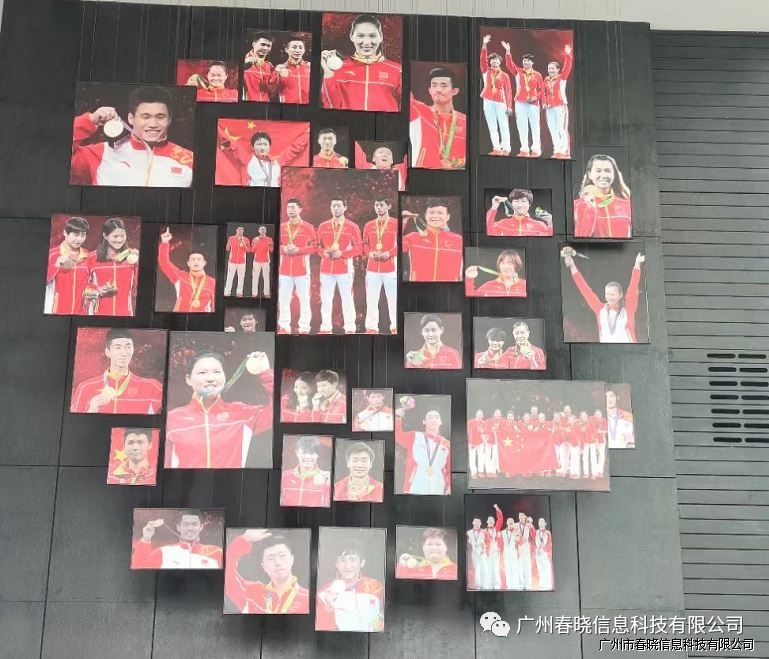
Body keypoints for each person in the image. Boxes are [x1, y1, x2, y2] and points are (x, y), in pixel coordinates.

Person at [164, 350, 274, 468]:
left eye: (216, 372)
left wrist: (265, 374)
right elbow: (158, 465)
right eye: (202, 372)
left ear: (224, 378)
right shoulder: (171, 419)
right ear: (188, 379)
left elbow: (282, 413)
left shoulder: (242, 414)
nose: (210, 378)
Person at [71, 85, 193, 187]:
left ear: (169, 120)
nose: (153, 124)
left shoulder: (189, 159)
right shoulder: (102, 153)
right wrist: (90, 120)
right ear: (131, 118)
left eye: (160, 117)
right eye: (145, 117)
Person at [320, 13, 402, 113]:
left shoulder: (397, 70)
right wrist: (328, 73)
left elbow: (409, 110)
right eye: (360, 36)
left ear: (380, 37)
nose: (366, 42)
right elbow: (331, 109)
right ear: (352, 37)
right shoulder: (339, 69)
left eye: (372, 36)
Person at [71, 329, 163, 414]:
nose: (123, 353)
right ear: (108, 352)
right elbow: (73, 423)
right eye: (118, 348)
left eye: (128, 347)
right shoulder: (85, 388)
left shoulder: (153, 387)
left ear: (133, 350)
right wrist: (92, 410)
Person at [562, 249, 645, 343]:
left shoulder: (628, 309)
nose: (609, 297)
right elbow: (585, 289)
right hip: (606, 350)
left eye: (612, 294)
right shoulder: (600, 309)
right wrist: (572, 265)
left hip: (628, 350)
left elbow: (633, 288)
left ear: (620, 295)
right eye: (607, 294)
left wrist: (637, 265)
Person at [225, 529, 310, 614]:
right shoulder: (251, 594)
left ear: (292, 559)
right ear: (263, 566)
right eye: (270, 558)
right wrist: (246, 538)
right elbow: (225, 574)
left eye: (282, 556)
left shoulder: (308, 599)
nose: (277, 562)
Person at [316, 197, 362, 334]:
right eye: (333, 206)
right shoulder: (323, 226)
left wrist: (343, 254)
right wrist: (324, 252)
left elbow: (359, 248)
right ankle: (325, 327)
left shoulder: (352, 226)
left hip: (344, 269)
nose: (335, 208)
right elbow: (316, 246)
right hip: (326, 268)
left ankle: (350, 328)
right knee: (326, 299)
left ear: (345, 207)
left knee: (347, 298)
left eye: (338, 206)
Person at [316, 544, 385, 632]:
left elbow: (386, 617)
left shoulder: (376, 587)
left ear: (362, 562)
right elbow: (321, 629)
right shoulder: (325, 593)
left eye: (352, 560)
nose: (347, 566)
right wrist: (328, 607)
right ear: (336, 564)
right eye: (342, 560)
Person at [409, 67, 466, 169]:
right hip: (423, 173)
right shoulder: (419, 111)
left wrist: (455, 164)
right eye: (434, 85)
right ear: (430, 90)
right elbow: (405, 94)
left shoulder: (466, 122)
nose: (438, 90)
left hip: (453, 176)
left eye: (444, 85)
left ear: (454, 91)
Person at [395, 397, 451, 495]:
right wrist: (397, 418)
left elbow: (449, 467)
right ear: (424, 421)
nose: (433, 419)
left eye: (436, 417)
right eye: (430, 417)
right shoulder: (414, 436)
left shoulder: (447, 444)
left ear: (440, 422)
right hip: (414, 487)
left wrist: (450, 485)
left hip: (438, 488)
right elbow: (398, 435)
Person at [85, 217, 139, 316]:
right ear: (105, 236)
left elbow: (136, 289)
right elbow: (83, 284)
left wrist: (140, 264)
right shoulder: (92, 258)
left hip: (125, 314)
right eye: (115, 236)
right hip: (98, 314)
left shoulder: (131, 259)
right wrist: (96, 289)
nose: (119, 240)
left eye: (122, 236)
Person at [277, 199, 316, 334]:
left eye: (293, 207)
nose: (290, 210)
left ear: (300, 210)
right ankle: (284, 326)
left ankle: (304, 327)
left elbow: (315, 247)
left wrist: (299, 250)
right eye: (288, 207)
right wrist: (284, 249)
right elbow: (275, 245)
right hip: (284, 270)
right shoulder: (281, 227)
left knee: (304, 299)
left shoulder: (308, 227)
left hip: (302, 270)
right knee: (283, 299)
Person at [131, 512, 222, 569]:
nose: (190, 528)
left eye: (194, 524)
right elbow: (138, 569)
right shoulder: (163, 552)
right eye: (185, 524)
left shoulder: (217, 552)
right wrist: (146, 539)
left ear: (201, 527)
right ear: (178, 527)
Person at [402, 198, 463, 282]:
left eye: (440, 213)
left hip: (447, 288)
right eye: (431, 212)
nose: (435, 216)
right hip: (419, 288)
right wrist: (402, 223)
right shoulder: (414, 238)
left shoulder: (459, 241)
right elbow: (392, 248)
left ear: (448, 216)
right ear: (425, 215)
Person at [157, 226, 216, 312]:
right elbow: (164, 263)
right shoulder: (181, 276)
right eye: (193, 259)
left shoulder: (212, 282)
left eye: (199, 259)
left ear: (204, 263)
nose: (196, 261)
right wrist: (165, 242)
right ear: (188, 263)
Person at [362, 198, 398, 335]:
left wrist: (390, 253)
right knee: (371, 299)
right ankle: (371, 328)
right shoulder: (369, 225)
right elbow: (364, 244)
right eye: (376, 205)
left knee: (393, 299)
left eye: (381, 205)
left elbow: (401, 243)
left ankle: (395, 327)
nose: (378, 207)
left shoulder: (396, 223)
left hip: (391, 267)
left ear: (389, 206)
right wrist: (369, 253)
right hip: (372, 268)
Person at [573, 155, 632, 238]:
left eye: (608, 171)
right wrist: (589, 207)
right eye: (598, 171)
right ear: (590, 174)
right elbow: (580, 237)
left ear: (614, 174)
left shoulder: (626, 204)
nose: (604, 175)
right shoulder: (577, 205)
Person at [502, 43, 544, 158]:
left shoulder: (537, 75)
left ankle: (536, 150)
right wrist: (508, 51)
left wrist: (535, 97)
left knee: (535, 127)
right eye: (524, 61)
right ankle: (524, 149)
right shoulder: (518, 72)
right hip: (520, 103)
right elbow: (509, 64)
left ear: (532, 63)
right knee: (522, 126)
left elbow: (542, 91)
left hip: (533, 104)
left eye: (528, 61)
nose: (525, 62)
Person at [45, 216, 90, 314]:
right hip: (56, 312)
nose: (79, 239)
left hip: (81, 313)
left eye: (83, 235)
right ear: (65, 232)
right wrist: (57, 266)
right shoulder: (52, 254)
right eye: (75, 235)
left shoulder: (87, 255)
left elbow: (90, 281)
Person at [479, 35, 513, 155]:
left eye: (496, 59)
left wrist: (509, 106)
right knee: (492, 125)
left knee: (503, 125)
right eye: (492, 60)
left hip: (500, 102)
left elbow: (508, 91)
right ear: (489, 62)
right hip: (488, 100)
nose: (494, 61)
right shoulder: (486, 71)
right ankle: (496, 148)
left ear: (500, 61)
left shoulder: (505, 75)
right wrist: (484, 44)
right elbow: (482, 59)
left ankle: (506, 148)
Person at [280, 436, 331, 507]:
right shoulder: (284, 477)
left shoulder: (326, 478)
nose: (308, 457)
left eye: (312, 453)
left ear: (317, 455)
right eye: (304, 453)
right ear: (297, 453)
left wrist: (328, 485)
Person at [542, 45, 573, 158]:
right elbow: (544, 93)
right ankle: (557, 150)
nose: (550, 70)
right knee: (553, 129)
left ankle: (565, 151)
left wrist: (568, 55)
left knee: (562, 129)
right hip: (549, 108)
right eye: (549, 68)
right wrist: (544, 103)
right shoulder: (545, 80)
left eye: (553, 68)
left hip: (560, 106)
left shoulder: (562, 78)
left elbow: (568, 67)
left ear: (558, 69)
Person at [485, 189, 553, 237]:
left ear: (530, 204)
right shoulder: (501, 224)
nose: (520, 205)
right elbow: (487, 231)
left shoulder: (540, 226)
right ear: (511, 204)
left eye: (523, 201)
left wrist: (550, 223)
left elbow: (550, 240)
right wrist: (494, 207)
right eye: (516, 201)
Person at [274, 36, 311, 104]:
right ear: (286, 49)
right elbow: (272, 92)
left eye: (300, 47)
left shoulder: (310, 67)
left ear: (304, 50)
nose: (297, 50)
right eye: (294, 47)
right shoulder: (279, 69)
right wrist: (278, 76)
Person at [243, 32, 277, 102]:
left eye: (268, 46)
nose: (265, 48)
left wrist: (279, 78)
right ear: (253, 44)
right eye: (263, 44)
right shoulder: (242, 61)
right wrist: (243, 65)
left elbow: (272, 92)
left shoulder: (269, 66)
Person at [479, 505, 503, 590]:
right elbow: (481, 542)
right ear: (487, 521)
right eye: (490, 520)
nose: (491, 521)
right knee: (488, 569)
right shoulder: (483, 531)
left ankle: (497, 586)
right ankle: (488, 586)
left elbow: (500, 520)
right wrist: (482, 551)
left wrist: (497, 509)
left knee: (496, 569)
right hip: (487, 553)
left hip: (495, 552)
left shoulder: (496, 529)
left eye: (492, 520)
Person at [224, 226, 250, 298]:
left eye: (242, 230)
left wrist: (244, 244)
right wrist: (228, 244)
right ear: (236, 230)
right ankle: (227, 292)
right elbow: (227, 249)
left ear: (243, 231)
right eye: (239, 229)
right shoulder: (231, 238)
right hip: (232, 262)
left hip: (242, 262)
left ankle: (239, 292)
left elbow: (248, 250)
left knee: (241, 278)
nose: (240, 231)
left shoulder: (246, 239)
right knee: (230, 277)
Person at [500, 517, 524, 590]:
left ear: (513, 524)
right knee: (508, 571)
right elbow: (500, 544)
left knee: (515, 571)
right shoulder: (502, 532)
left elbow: (521, 543)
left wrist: (519, 539)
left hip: (514, 554)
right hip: (506, 555)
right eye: (509, 523)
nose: (510, 524)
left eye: (512, 523)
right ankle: (509, 587)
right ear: (507, 523)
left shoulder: (517, 532)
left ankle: (515, 586)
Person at [250, 226, 273, 298]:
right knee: (255, 277)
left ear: (265, 231)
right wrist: (255, 244)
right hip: (256, 261)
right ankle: (254, 294)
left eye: (264, 229)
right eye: (261, 229)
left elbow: (271, 250)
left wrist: (270, 246)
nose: (263, 230)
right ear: (259, 231)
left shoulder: (269, 239)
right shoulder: (255, 239)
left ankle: (266, 293)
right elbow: (252, 250)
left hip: (266, 261)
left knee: (266, 277)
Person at [516, 511, 535, 589]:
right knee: (520, 568)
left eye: (522, 517)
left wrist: (531, 527)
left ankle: (528, 585)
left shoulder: (529, 525)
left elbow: (534, 535)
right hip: (518, 549)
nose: (521, 519)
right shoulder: (516, 525)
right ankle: (521, 585)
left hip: (526, 549)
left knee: (527, 568)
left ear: (525, 517)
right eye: (519, 517)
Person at [467, 410, 486, 479]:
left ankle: (480, 472)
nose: (479, 416)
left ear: (482, 416)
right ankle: (473, 473)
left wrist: (482, 431)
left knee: (481, 457)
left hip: (480, 443)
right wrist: (469, 443)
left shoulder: (483, 423)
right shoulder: (470, 422)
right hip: (472, 443)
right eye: (478, 414)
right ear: (476, 415)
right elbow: (468, 432)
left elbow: (485, 432)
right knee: (472, 458)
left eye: (481, 414)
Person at [534, 518, 553, 590]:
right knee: (540, 570)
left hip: (545, 554)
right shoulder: (536, 532)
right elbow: (534, 543)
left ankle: (548, 586)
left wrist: (544, 548)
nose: (540, 523)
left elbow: (550, 543)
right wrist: (537, 550)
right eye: (539, 522)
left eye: (542, 522)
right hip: (538, 554)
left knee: (546, 569)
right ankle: (542, 585)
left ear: (545, 523)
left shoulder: (548, 532)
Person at [466, 518, 485, 589]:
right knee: (474, 568)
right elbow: (468, 543)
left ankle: (483, 584)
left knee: (483, 568)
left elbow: (485, 541)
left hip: (482, 552)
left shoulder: (484, 531)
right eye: (476, 522)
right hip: (472, 552)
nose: (477, 524)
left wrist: (483, 550)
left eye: (478, 522)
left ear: (481, 524)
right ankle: (474, 584)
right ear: (473, 523)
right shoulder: (468, 532)